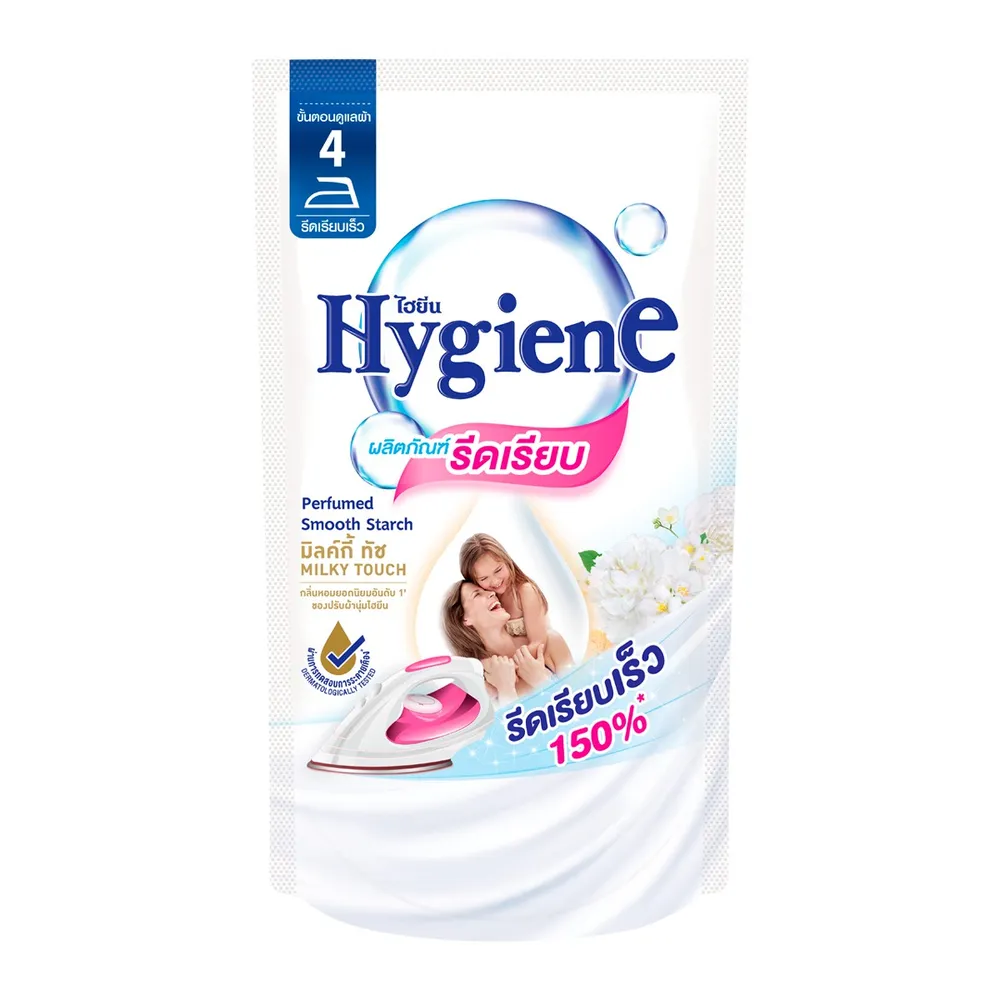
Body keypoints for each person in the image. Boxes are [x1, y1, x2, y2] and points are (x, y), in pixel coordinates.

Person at [441, 579, 572, 704]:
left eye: (486, 590)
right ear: (464, 619)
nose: (492, 593)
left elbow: (580, 693)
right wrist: (506, 689)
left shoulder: (549, 642)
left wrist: (541, 680)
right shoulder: (483, 684)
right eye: (477, 594)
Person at [459, 533, 549, 647]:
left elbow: (538, 643)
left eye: (498, 570)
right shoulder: (485, 602)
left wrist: (511, 660)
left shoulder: (525, 592)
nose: (495, 581)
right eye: (484, 578)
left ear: (507, 561)